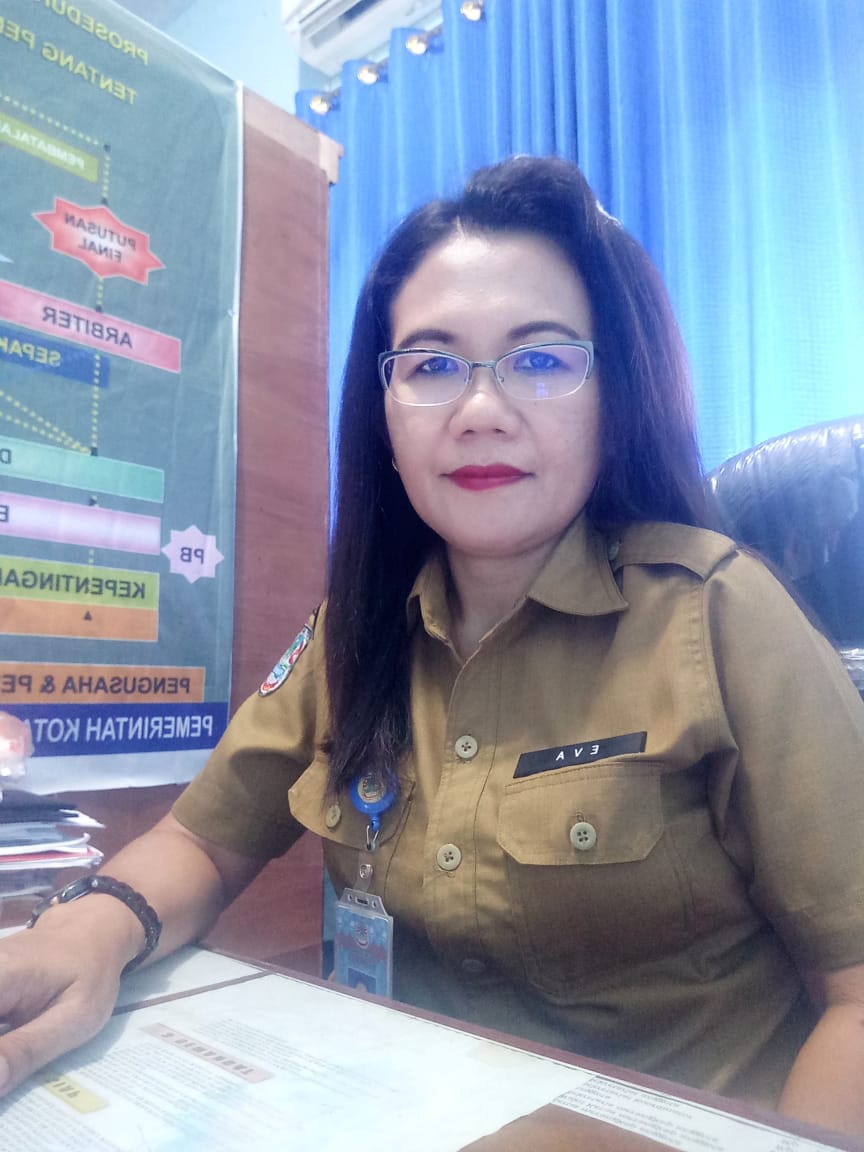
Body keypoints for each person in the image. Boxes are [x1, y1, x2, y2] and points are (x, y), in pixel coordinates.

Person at [1, 155, 863, 1135]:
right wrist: (86, 933)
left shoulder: (720, 616)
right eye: (432, 366)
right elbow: (203, 839)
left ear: (612, 395)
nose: (481, 411)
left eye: (541, 360)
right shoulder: (356, 631)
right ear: (385, 412)